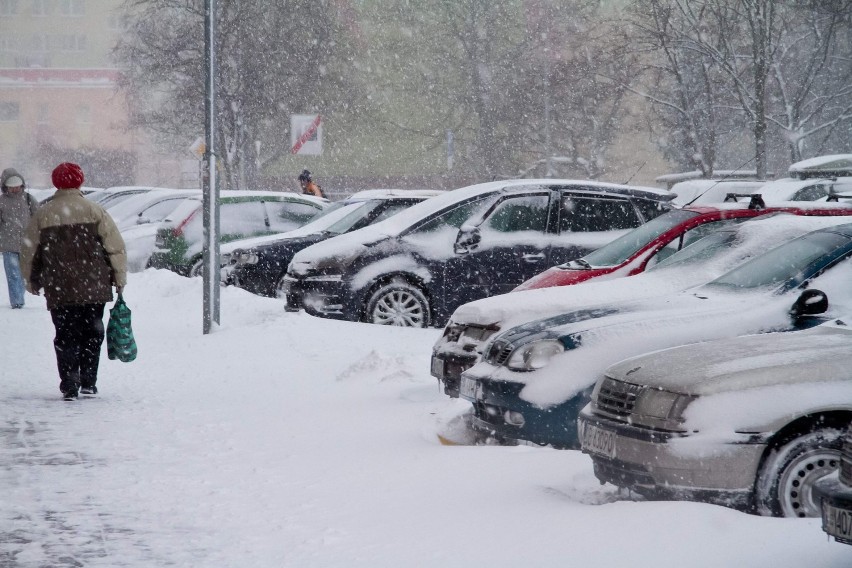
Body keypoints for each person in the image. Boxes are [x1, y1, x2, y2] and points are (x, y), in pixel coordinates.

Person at [20, 163, 127, 400]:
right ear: (80, 182)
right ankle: (89, 381)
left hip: (60, 286)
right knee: (92, 331)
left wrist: (31, 279)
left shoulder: (44, 214)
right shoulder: (95, 211)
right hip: (94, 285)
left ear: (56, 183)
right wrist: (119, 278)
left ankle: (69, 381)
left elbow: (29, 250)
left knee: (65, 334)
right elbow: (115, 248)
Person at [0, 168, 38, 309]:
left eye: (17, 186)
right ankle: (16, 301)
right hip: (8, 245)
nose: (15, 189)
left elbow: (37, 217)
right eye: (12, 187)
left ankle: (19, 297)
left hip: (27, 244)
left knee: (23, 274)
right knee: (13, 275)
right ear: (5, 186)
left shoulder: (28, 198)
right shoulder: (1, 202)